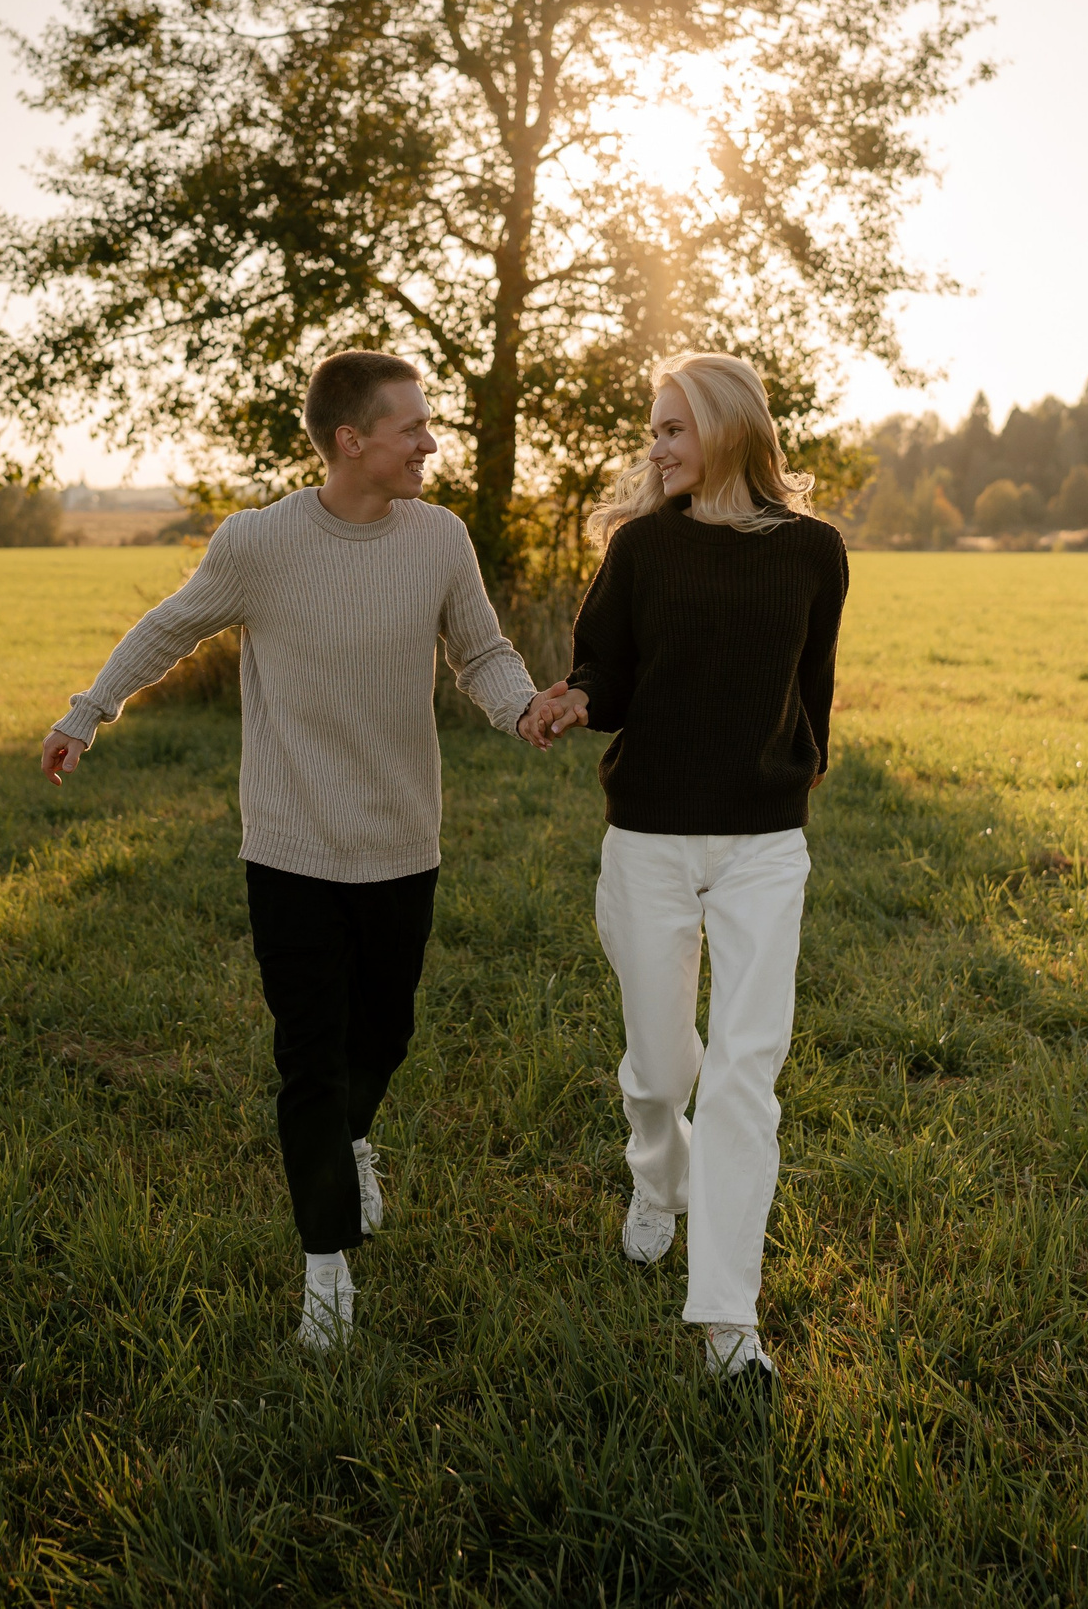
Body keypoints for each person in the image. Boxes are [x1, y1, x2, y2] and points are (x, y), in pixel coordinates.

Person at [42, 351, 551, 1352]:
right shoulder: (259, 544)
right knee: (308, 1056)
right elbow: (169, 627)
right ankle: (325, 1263)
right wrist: (88, 710)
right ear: (351, 441)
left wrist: (522, 707)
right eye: (411, 428)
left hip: (402, 838)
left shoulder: (439, 538)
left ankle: (352, 1140)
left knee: (386, 1035)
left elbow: (481, 650)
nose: (430, 443)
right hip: (289, 847)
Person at [524, 351, 848, 1385]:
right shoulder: (639, 550)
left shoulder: (813, 552)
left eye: (671, 428)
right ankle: (655, 1181)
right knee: (663, 1071)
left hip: (762, 843)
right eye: (653, 430)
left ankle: (727, 1324)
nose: (655, 447)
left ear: (728, 431)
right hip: (650, 835)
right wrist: (576, 699)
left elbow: (813, 687)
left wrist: (788, 788)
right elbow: (604, 672)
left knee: (745, 1074)